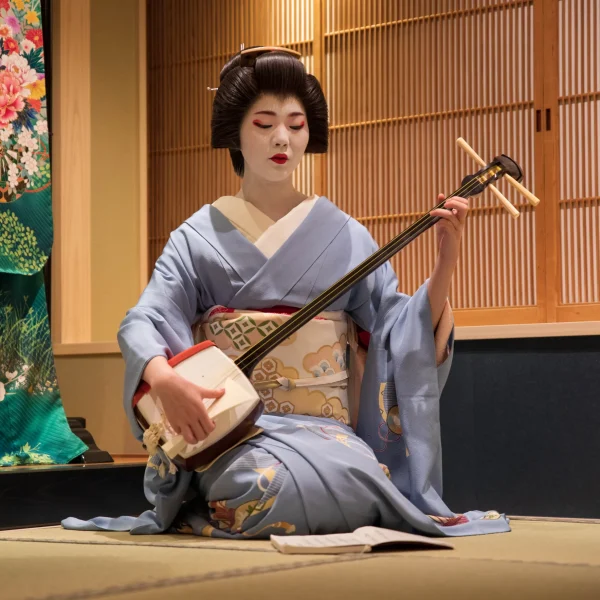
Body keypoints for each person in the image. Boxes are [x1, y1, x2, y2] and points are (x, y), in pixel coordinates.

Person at [62, 47, 509, 538]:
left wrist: (445, 262)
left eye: (296, 125)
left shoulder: (344, 234)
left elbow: (399, 328)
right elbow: (143, 320)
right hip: (235, 431)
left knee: (362, 484)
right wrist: (164, 380)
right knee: (266, 487)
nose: (283, 138)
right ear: (236, 131)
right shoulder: (196, 238)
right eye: (265, 123)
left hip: (326, 431)